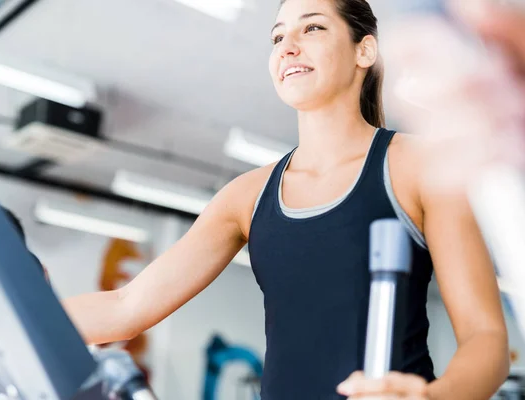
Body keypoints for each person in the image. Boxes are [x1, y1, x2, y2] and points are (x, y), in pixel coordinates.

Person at [62, 0, 510, 398]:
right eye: (277, 36)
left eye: (312, 28)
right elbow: (126, 307)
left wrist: (433, 398)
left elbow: (485, 337)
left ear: (364, 51)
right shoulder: (245, 196)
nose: (287, 46)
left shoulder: (418, 164)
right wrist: (11, 313)